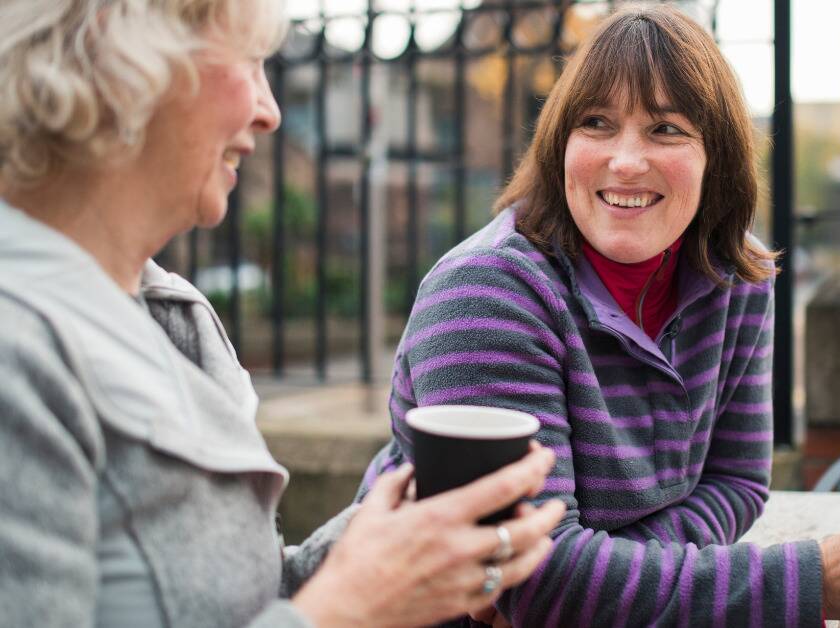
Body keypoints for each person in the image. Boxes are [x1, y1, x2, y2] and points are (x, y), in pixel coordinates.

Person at [362, 5, 840, 627]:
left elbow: (737, 481)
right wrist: (818, 582)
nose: (626, 160)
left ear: (715, 157)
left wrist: (611, 571)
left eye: (666, 129)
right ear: (560, 145)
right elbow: (535, 580)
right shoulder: (486, 293)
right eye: (596, 123)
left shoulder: (738, 273)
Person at [0, 1, 565, 626]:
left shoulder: (170, 315)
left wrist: (398, 541)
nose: (269, 112)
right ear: (123, 65)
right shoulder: (17, 346)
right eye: (247, 62)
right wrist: (348, 607)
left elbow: (237, 599)